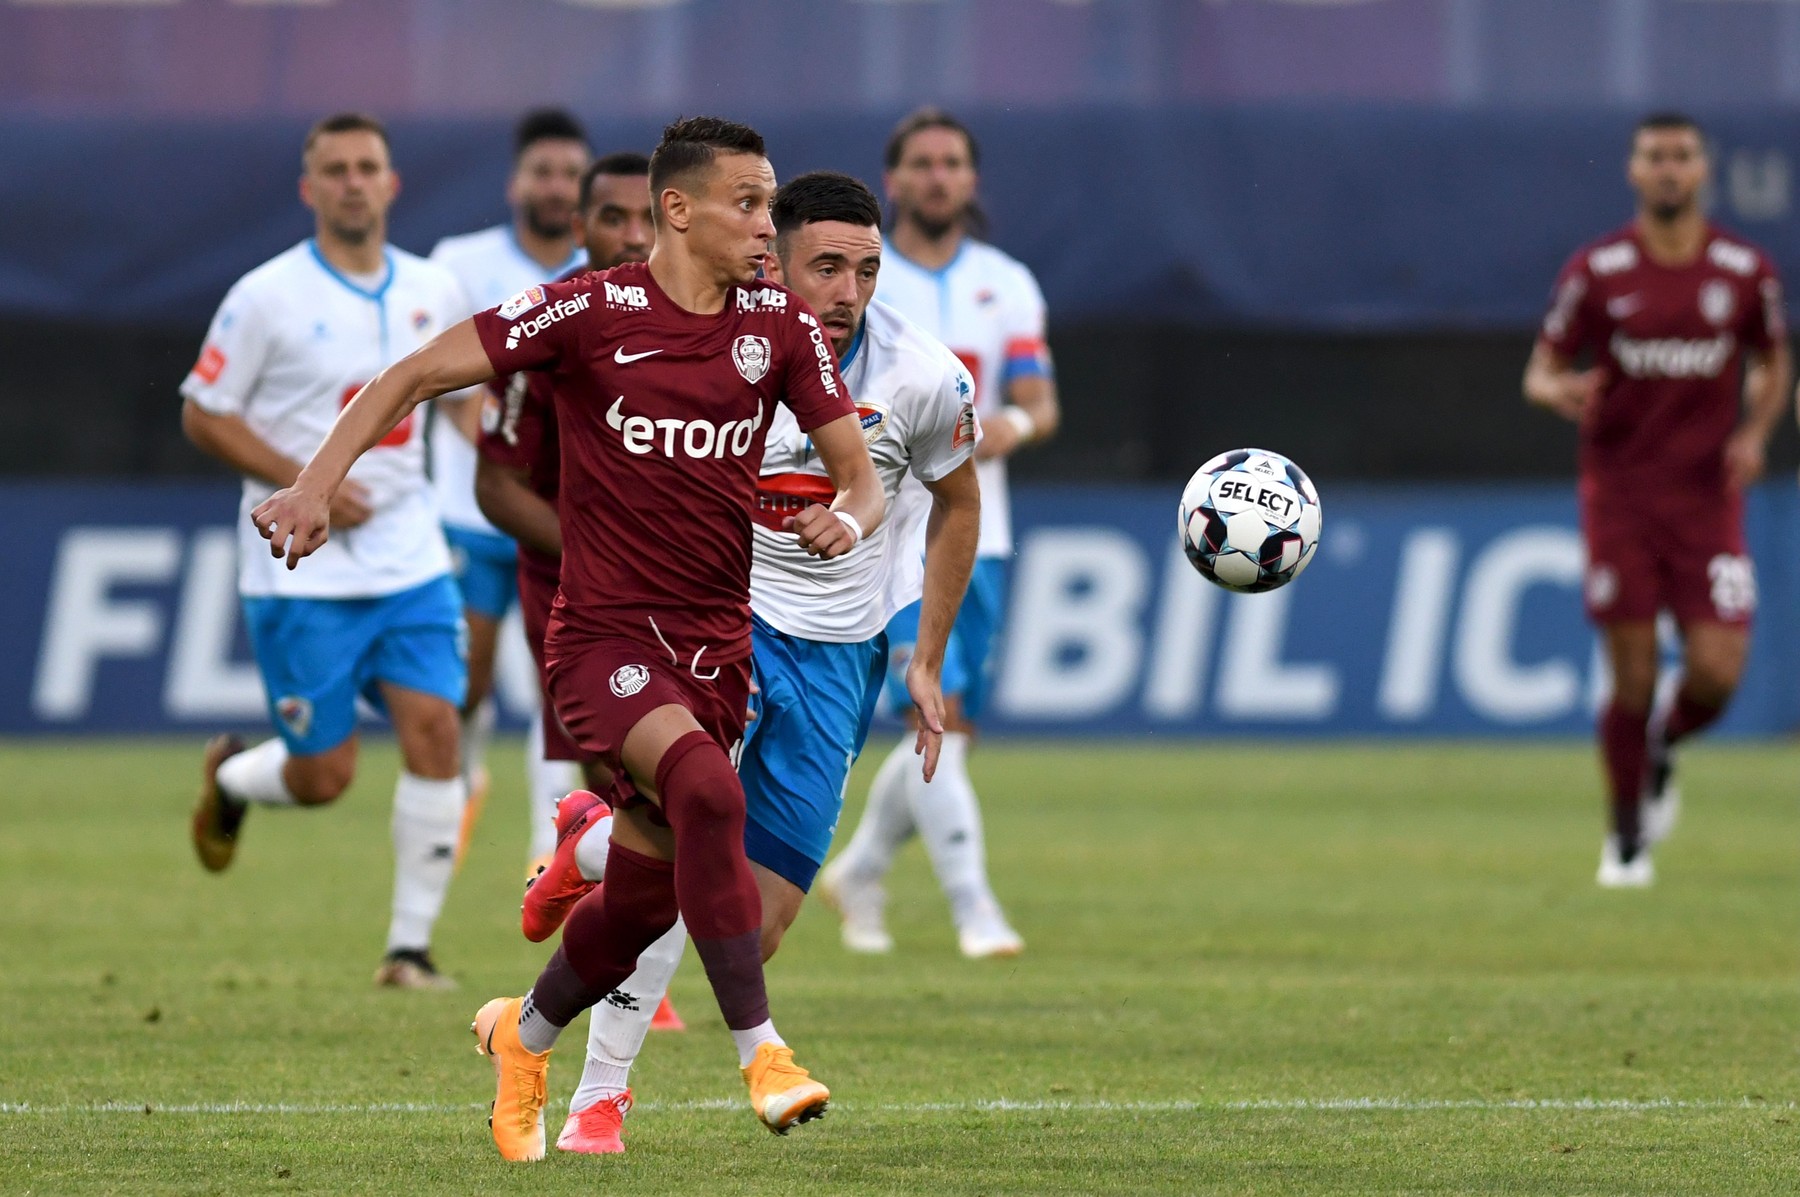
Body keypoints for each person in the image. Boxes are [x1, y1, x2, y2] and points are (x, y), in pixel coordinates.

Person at [250, 116, 885, 1158]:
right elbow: (412, 373)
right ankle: (762, 1053)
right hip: (600, 637)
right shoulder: (587, 311)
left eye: (769, 206)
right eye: (750, 204)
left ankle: (524, 1033)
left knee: (639, 901)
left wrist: (848, 517)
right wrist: (316, 485)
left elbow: (855, 473)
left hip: (714, 646)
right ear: (676, 210)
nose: (767, 227)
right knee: (710, 793)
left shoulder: (778, 328)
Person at [523, 171, 981, 1154]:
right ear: (773, 260)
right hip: (714, 627)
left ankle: (590, 844)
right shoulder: (714, 348)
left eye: (866, 268)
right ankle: (599, 1097)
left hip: (840, 655)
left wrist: (925, 657)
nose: (848, 289)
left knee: (760, 924)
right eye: (827, 266)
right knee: (692, 859)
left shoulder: (923, 377)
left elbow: (959, 502)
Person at [182, 112, 472, 990]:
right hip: (298, 569)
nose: (353, 181)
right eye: (335, 169)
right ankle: (236, 775)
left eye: (367, 167)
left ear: (393, 184)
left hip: (411, 559)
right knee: (325, 776)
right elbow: (202, 411)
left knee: (436, 731)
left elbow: (461, 401)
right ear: (311, 189)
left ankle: (409, 951)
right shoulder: (266, 295)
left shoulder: (434, 288)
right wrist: (307, 481)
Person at [1524, 112, 1790, 888]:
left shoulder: (1745, 270)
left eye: (1682, 156)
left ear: (1703, 169)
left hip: (1709, 500)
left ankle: (1668, 743)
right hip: (1623, 497)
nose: (1669, 169)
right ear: (1634, 172)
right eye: (1654, 157)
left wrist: (1755, 428)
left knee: (1716, 672)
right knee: (1631, 678)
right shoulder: (1598, 270)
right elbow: (1537, 369)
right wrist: (1558, 391)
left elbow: (1773, 363)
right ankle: (1626, 840)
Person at [820, 107, 1059, 958]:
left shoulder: (1007, 282)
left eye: (951, 162)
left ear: (971, 179)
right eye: (921, 162)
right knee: (940, 716)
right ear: (894, 180)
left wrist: (1012, 430)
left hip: (975, 531)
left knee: (950, 726)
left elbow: (1039, 403)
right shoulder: (860, 280)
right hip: (889, 537)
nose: (937, 175)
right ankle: (975, 909)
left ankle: (862, 870)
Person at [475, 150, 684, 1031]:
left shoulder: (707, 312)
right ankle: (634, 988)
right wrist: (601, 551)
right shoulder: (547, 325)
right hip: (576, 584)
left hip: (687, 583)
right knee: (645, 776)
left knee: (673, 786)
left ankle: (578, 853)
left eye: (646, 217)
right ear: (580, 226)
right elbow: (497, 485)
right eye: (612, 218)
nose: (631, 235)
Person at [429, 109, 591, 876]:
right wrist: (502, 447)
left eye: (569, 174)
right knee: (468, 683)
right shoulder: (461, 263)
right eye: (544, 171)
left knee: (557, 686)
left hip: (558, 517)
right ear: (516, 181)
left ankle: (544, 838)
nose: (556, 186)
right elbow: (445, 380)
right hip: (477, 507)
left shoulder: (605, 272)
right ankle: (463, 778)